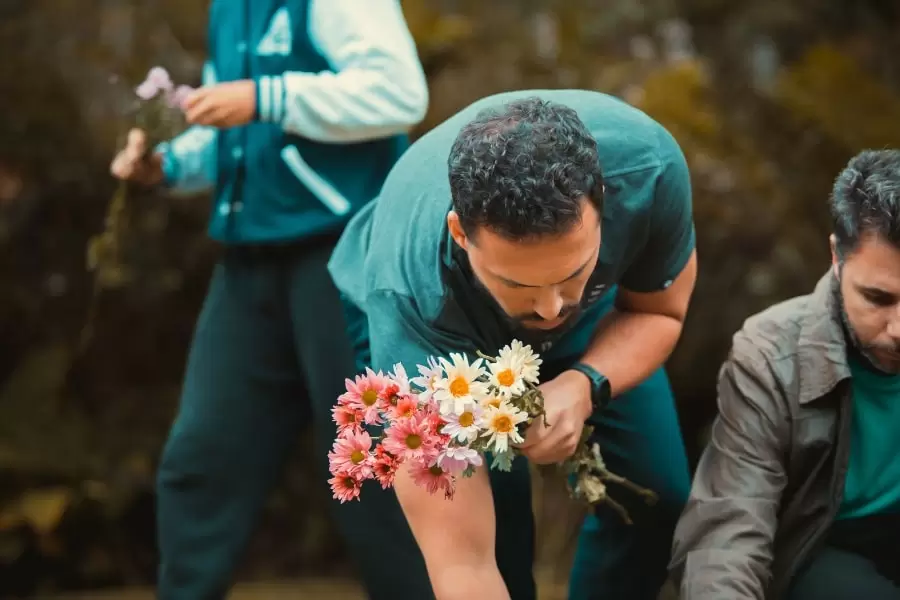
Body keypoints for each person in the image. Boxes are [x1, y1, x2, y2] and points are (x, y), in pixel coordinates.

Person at [109, 1, 428, 599]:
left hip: (343, 256)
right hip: (247, 266)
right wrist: (167, 165)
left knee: (371, 466)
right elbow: (231, 136)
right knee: (200, 461)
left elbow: (399, 92)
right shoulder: (229, 10)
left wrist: (266, 96)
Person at [328, 90, 698, 600]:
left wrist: (584, 384)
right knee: (497, 538)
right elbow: (462, 564)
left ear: (603, 203)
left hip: (593, 324)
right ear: (460, 233)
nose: (549, 309)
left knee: (658, 498)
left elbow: (659, 312)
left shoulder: (649, 169)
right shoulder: (409, 292)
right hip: (445, 338)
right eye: (519, 284)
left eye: (571, 272)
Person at [669, 149, 900, 599]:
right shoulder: (770, 355)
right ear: (837, 257)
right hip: (821, 549)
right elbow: (729, 527)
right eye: (878, 298)